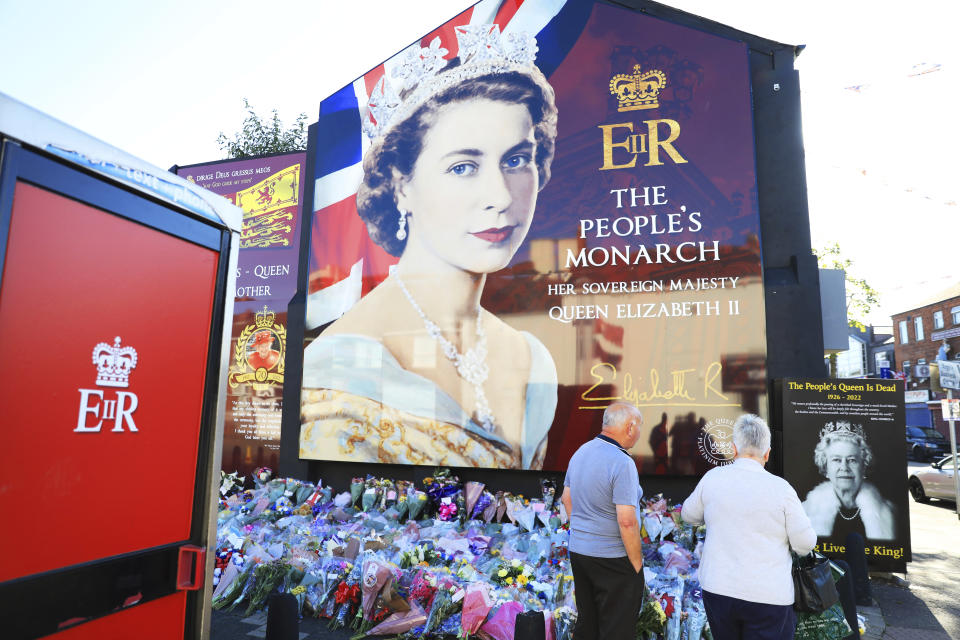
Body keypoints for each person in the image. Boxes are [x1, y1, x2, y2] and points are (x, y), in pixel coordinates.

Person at [299, 25, 558, 470]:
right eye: (463, 167)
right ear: (401, 186)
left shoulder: (531, 357)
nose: (500, 195)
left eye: (516, 160)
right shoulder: (341, 366)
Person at [681, 414, 817, 640]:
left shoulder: (712, 478)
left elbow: (688, 515)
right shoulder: (781, 489)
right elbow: (805, 545)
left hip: (718, 589)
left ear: (734, 449)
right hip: (768, 596)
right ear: (767, 453)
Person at [560, 402, 645, 640]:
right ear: (630, 427)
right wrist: (637, 565)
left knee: (587, 624)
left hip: (580, 552)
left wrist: (586, 530)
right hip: (613, 559)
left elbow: (567, 499)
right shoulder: (622, 462)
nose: (639, 434)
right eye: (639, 427)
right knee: (616, 629)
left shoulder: (581, 452)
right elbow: (627, 521)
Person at [802, 421, 895, 540]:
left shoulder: (888, 513)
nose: (844, 468)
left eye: (852, 460)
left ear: (864, 466)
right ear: (825, 467)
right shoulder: (805, 511)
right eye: (836, 460)